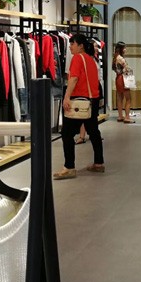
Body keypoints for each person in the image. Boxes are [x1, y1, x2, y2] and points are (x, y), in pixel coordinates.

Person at [54, 34, 105, 180]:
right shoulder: (90, 59)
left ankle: (69, 167)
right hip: (92, 100)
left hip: (79, 100)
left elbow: (74, 78)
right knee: (93, 131)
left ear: (81, 45)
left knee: (66, 134)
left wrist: (67, 97)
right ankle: (99, 163)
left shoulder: (77, 58)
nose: (70, 46)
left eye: (72, 44)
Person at [75, 39, 104, 144]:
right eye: (95, 46)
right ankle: (83, 136)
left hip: (95, 87)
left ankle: (93, 134)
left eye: (97, 46)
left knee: (93, 114)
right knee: (85, 112)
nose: (97, 48)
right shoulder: (85, 59)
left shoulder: (95, 59)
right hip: (87, 89)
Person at [112, 41, 134, 123]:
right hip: (124, 79)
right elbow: (126, 69)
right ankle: (127, 117)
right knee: (128, 99)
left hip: (118, 78)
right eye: (124, 48)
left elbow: (114, 69)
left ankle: (120, 116)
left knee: (119, 98)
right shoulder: (121, 58)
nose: (125, 49)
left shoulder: (115, 58)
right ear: (121, 49)